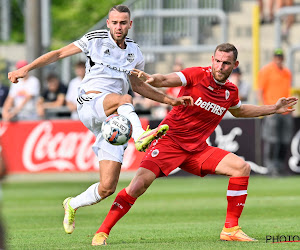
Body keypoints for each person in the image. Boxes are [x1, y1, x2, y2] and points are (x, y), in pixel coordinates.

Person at [7, 5, 192, 236]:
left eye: (123, 23)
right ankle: (140, 135)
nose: (118, 26)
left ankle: (72, 204)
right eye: (114, 22)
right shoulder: (95, 39)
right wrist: (27, 69)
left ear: (130, 25)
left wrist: (169, 100)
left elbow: (138, 86)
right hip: (90, 103)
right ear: (108, 23)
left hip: (114, 120)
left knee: (107, 187)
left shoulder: (135, 52)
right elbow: (58, 54)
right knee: (124, 98)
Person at [91, 43, 298, 246]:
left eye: (226, 63)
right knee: (137, 186)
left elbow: (240, 111)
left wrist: (273, 108)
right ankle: (102, 232)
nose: (220, 66)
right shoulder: (197, 74)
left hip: (197, 149)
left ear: (234, 65)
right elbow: (167, 79)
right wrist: (154, 79)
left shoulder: (230, 91)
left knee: (241, 168)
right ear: (212, 60)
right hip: (168, 142)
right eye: (217, 61)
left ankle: (231, 229)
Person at [258, 48, 293, 176]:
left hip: (285, 111)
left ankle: (280, 167)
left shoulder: (287, 72)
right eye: (277, 57)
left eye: (281, 57)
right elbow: (260, 91)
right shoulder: (266, 71)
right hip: (272, 110)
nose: (279, 59)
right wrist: (266, 109)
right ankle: (270, 167)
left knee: (284, 140)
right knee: (272, 140)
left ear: (283, 58)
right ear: (273, 58)